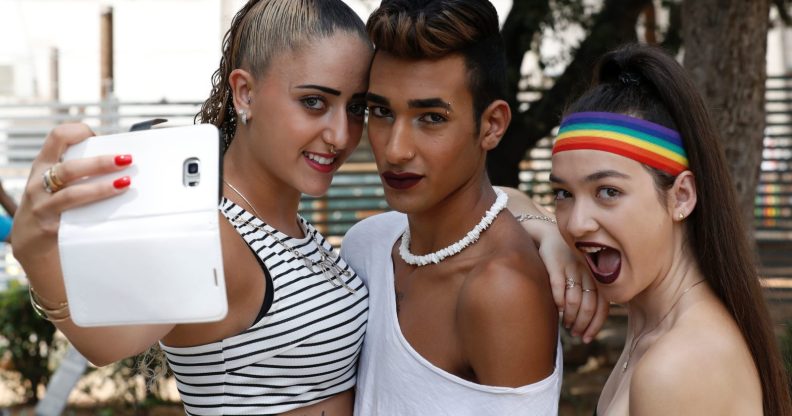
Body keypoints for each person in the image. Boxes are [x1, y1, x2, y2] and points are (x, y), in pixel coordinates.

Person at [10, 1, 603, 415]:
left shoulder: (341, 239)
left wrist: (540, 226)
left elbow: (472, 212)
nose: (341, 135)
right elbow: (107, 340)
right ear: (245, 92)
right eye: (314, 102)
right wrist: (35, 249)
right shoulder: (214, 233)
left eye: (356, 108)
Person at [342, 1, 569, 414]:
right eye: (381, 112)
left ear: (492, 125)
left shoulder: (501, 289)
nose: (395, 150)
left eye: (431, 117)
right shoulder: (366, 246)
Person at [547, 43, 792, 415]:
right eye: (563, 193)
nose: (576, 224)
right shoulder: (655, 326)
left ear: (681, 196)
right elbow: (507, 201)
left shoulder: (677, 367)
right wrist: (549, 237)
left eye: (608, 192)